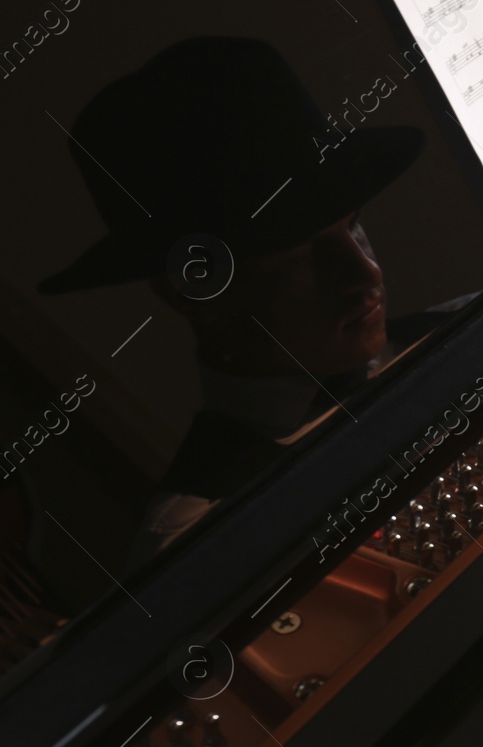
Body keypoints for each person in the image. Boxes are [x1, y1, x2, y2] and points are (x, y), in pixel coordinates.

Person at [37, 37, 427, 562]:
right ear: (194, 295)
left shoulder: (468, 339)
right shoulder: (196, 542)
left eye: (354, 226)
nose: (365, 273)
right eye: (300, 257)